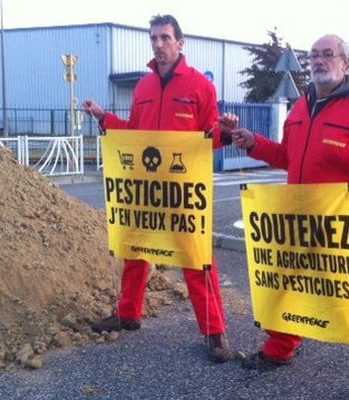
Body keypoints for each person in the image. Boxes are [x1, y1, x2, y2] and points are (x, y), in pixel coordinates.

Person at [229, 34, 349, 400]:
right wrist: (254, 143)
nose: (319, 61)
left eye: (328, 54)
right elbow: (288, 157)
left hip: (340, 226)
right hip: (297, 223)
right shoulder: (301, 108)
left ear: (346, 63)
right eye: (315, 56)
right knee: (288, 286)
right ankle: (281, 348)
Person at [83, 14, 236, 363]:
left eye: (165, 38)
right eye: (154, 38)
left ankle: (214, 332)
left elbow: (211, 138)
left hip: (183, 192)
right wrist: (104, 118)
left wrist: (225, 131)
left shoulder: (200, 86)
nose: (158, 44)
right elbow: (135, 135)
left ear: (181, 43)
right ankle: (128, 314)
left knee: (198, 259)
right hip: (146, 189)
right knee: (135, 248)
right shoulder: (144, 87)